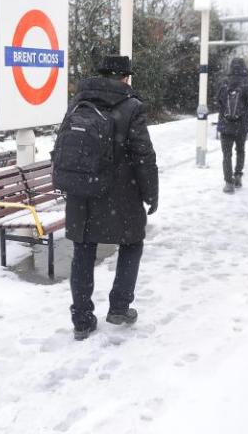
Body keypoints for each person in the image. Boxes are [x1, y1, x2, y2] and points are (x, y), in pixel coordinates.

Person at [63, 55, 159, 341]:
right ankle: (119, 306)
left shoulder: (78, 103)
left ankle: (81, 319)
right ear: (125, 77)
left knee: (83, 250)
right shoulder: (132, 107)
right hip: (121, 194)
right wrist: (151, 193)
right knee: (132, 243)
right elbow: (144, 155)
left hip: (82, 192)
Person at [214, 57, 248, 194]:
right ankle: (237, 176)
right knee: (240, 150)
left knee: (226, 154)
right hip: (242, 125)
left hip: (225, 124)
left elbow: (217, 101)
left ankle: (228, 183)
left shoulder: (223, 82)